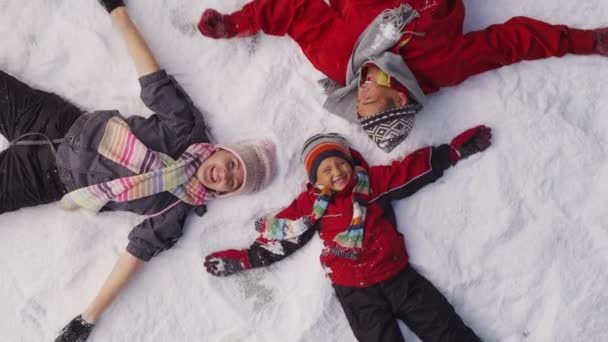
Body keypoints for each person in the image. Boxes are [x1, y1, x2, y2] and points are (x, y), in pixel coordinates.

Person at [0, 1, 276, 341]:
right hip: (55, 121)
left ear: (226, 193)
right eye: (232, 164)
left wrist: (86, 319)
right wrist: (117, 10)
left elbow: (133, 257)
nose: (225, 175)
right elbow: (152, 78)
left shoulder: (174, 213)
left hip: (44, 180)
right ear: (222, 151)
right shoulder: (186, 129)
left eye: (234, 182)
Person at [197, 0, 608, 152]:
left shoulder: (337, 56)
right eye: (371, 99)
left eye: (358, 101)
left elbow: (295, 10)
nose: (361, 93)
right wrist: (586, 41)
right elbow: (511, 43)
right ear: (400, 97)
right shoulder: (442, 66)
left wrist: (236, 24)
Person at [204, 128, 492, 342]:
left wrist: (450, 153)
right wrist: (246, 258)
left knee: (443, 328)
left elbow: (408, 172)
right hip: (354, 290)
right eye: (326, 169)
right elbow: (287, 233)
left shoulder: (372, 183)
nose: (337, 171)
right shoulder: (311, 205)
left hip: (397, 276)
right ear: (315, 179)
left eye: (340, 163)